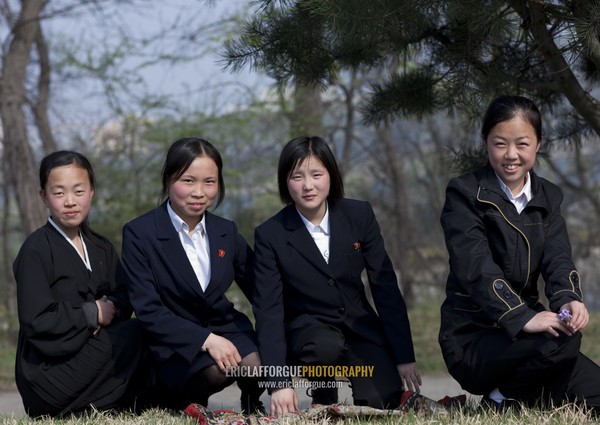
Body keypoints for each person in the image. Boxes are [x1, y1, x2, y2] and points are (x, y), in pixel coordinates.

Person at [253, 135, 445, 417]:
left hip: (359, 327)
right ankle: (322, 391)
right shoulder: (271, 234)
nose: (308, 185)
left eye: (317, 174)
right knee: (324, 348)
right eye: (297, 176)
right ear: (285, 181)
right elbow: (268, 311)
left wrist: (404, 356)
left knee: (383, 404)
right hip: (309, 336)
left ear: (331, 175)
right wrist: (278, 382)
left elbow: (385, 287)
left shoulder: (359, 214)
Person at [439, 95, 600, 412]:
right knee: (562, 341)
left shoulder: (548, 197)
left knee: (594, 392)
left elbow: (558, 259)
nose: (511, 155)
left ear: (538, 143)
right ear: (486, 141)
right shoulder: (464, 194)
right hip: (474, 338)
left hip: (533, 342)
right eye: (500, 144)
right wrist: (522, 316)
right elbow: (476, 268)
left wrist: (570, 299)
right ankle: (498, 403)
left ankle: (525, 396)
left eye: (522, 144)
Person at [121, 137, 264, 413]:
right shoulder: (140, 233)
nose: (199, 192)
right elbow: (148, 311)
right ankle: (183, 402)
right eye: (188, 181)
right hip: (175, 339)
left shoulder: (227, 231)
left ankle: (252, 402)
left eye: (209, 182)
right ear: (167, 178)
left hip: (226, 327)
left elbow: (261, 289)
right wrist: (206, 340)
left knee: (255, 366)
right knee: (216, 371)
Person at [14, 151, 145, 417]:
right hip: (48, 372)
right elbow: (36, 321)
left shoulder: (101, 247)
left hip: (90, 357)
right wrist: (91, 313)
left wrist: (109, 307)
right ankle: (77, 405)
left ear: (92, 192)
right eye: (59, 193)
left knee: (145, 329)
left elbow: (124, 296)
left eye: (78, 191)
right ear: (44, 197)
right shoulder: (36, 250)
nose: (70, 202)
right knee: (136, 333)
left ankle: (98, 405)